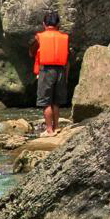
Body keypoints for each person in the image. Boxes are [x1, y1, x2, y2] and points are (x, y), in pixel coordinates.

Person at [31, 9, 70, 137]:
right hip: (61, 70)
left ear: (44, 24)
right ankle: (56, 126)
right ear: (58, 24)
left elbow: (32, 52)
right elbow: (68, 58)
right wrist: (67, 76)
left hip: (46, 70)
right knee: (56, 102)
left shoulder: (39, 37)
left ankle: (49, 130)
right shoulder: (65, 38)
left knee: (46, 102)